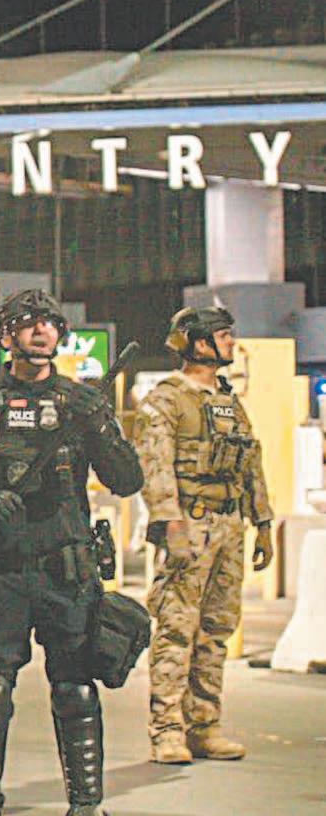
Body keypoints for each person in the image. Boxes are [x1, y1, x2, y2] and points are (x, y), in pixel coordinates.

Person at [0, 289, 142, 816]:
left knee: (75, 689)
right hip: (0, 569)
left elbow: (127, 480)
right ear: (7, 336)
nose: (42, 331)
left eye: (50, 323)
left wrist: (100, 428)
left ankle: (87, 808)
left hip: (66, 571)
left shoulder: (81, 403)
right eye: (28, 323)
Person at [135, 306, 274, 764]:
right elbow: (155, 465)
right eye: (224, 335)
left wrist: (263, 523)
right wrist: (169, 522)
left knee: (216, 630)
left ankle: (204, 725)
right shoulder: (167, 400)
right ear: (198, 342)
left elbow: (250, 462)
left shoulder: (228, 401)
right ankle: (167, 730)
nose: (232, 343)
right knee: (177, 628)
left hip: (229, 525)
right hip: (190, 525)